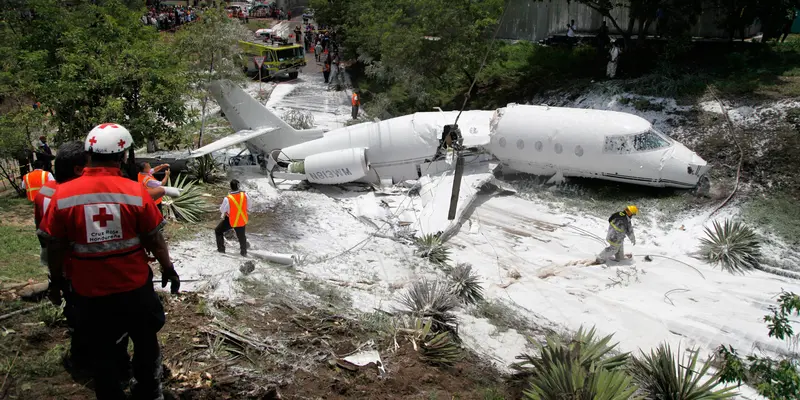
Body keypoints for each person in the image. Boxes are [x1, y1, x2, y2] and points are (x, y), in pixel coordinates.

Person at [39, 122, 180, 400]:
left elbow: (54, 247)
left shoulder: (63, 197)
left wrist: (56, 283)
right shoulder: (135, 192)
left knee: (100, 347)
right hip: (133, 286)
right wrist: (168, 268)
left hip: (89, 291)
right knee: (145, 339)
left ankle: (110, 392)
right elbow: (154, 239)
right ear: (123, 156)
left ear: (88, 154)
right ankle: (148, 392)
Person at [215, 179, 249, 257]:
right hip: (241, 219)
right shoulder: (245, 195)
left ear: (230, 187)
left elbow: (222, 210)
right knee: (242, 236)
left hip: (231, 220)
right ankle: (244, 253)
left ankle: (221, 250)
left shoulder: (227, 198)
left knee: (218, 231)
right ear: (238, 186)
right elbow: (249, 206)